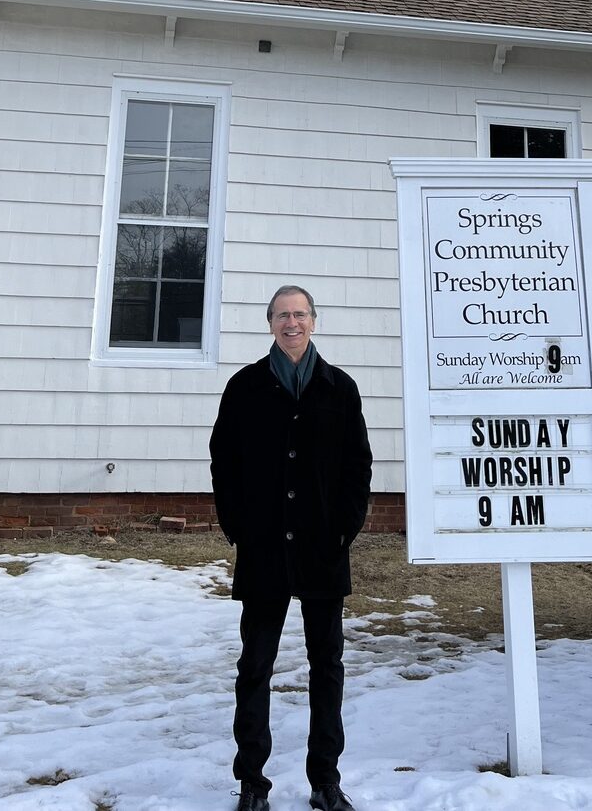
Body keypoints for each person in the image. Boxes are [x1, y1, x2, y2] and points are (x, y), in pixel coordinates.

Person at [210, 285, 372, 811]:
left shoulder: (340, 389)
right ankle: (252, 781)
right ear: (270, 323)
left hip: (323, 549)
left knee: (326, 665)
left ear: (314, 322)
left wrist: (345, 527)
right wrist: (237, 526)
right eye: (282, 315)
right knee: (255, 664)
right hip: (263, 551)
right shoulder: (245, 387)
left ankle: (325, 779)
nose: (292, 323)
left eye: (300, 314)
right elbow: (224, 462)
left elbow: (358, 465)